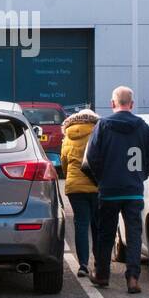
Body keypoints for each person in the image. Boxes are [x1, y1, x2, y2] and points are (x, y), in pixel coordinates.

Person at [81, 86, 149, 293]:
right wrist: (139, 176)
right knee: (134, 235)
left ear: (112, 103)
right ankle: (133, 278)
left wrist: (102, 179)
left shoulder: (103, 126)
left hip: (109, 189)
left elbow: (91, 159)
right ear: (131, 104)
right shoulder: (142, 127)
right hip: (133, 190)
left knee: (106, 234)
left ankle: (102, 275)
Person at [58, 108, 99, 277]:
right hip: (96, 185)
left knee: (81, 224)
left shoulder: (68, 136)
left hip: (75, 187)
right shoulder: (98, 133)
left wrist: (71, 177)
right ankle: (99, 262)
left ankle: (83, 264)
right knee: (98, 225)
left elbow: (64, 162)